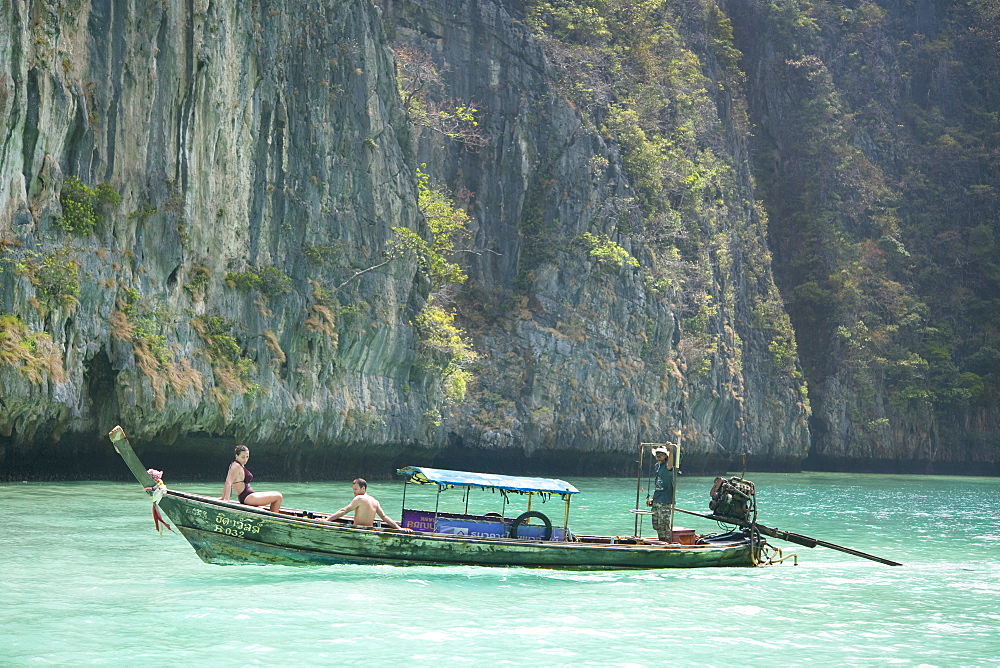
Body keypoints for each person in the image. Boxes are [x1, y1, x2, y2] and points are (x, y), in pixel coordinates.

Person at [221, 445, 283, 513]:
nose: (245, 459)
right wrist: (226, 500)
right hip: (247, 497)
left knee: (277, 496)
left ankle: (273, 514)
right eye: (243, 457)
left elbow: (228, 481)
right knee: (278, 496)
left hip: (249, 496)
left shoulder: (238, 464)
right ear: (237, 456)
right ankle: (273, 519)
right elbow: (228, 482)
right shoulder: (236, 466)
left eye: (247, 457)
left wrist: (222, 497)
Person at [326, 478, 407, 530]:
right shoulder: (375, 501)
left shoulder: (359, 498)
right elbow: (384, 517)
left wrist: (326, 520)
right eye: (353, 489)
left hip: (358, 529)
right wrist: (399, 528)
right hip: (370, 529)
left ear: (363, 488)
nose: (353, 491)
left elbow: (344, 511)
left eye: (355, 489)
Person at [646, 443, 677, 541]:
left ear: (665, 456)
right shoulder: (656, 466)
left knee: (664, 523)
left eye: (661, 453)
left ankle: (667, 542)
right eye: (657, 453)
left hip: (665, 500)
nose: (659, 455)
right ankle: (661, 540)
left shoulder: (667, 466)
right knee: (656, 524)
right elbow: (657, 485)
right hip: (657, 500)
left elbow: (670, 463)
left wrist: (671, 450)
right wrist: (653, 499)